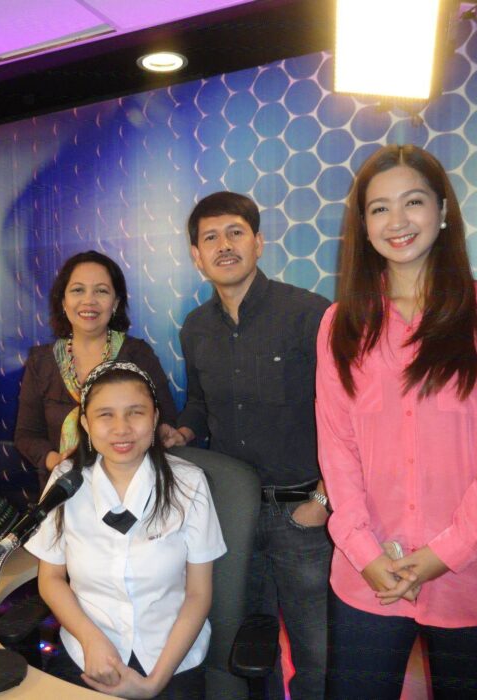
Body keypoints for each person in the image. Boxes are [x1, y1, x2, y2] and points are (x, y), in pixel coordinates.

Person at [315, 144, 477, 698]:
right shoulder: (339, 325)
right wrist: (365, 552)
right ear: (363, 227)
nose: (398, 221)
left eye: (413, 202)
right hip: (369, 570)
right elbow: (338, 448)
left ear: (443, 212)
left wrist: (445, 554)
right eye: (379, 209)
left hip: (476, 568)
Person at [162, 191, 332, 699]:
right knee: (249, 645)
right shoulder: (195, 328)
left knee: (318, 651)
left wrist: (323, 502)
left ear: (258, 242)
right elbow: (198, 406)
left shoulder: (310, 314)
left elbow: (350, 423)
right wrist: (182, 433)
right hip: (231, 514)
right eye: (210, 238)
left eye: (235, 232)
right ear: (196, 255)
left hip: (302, 512)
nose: (224, 245)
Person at [25, 361, 226, 699]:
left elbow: (198, 594)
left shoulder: (189, 484)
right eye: (105, 415)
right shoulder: (66, 482)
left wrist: (155, 683)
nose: (122, 429)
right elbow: (51, 578)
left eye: (136, 413)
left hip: (171, 658)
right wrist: (92, 640)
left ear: (155, 418)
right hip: (86, 653)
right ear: (86, 423)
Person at [15, 250, 178, 473]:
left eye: (101, 291)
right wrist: (55, 461)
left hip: (133, 484)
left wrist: (164, 432)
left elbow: (166, 421)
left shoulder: (138, 354)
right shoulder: (40, 362)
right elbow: (26, 435)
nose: (89, 301)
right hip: (65, 487)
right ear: (64, 302)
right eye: (78, 290)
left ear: (116, 303)